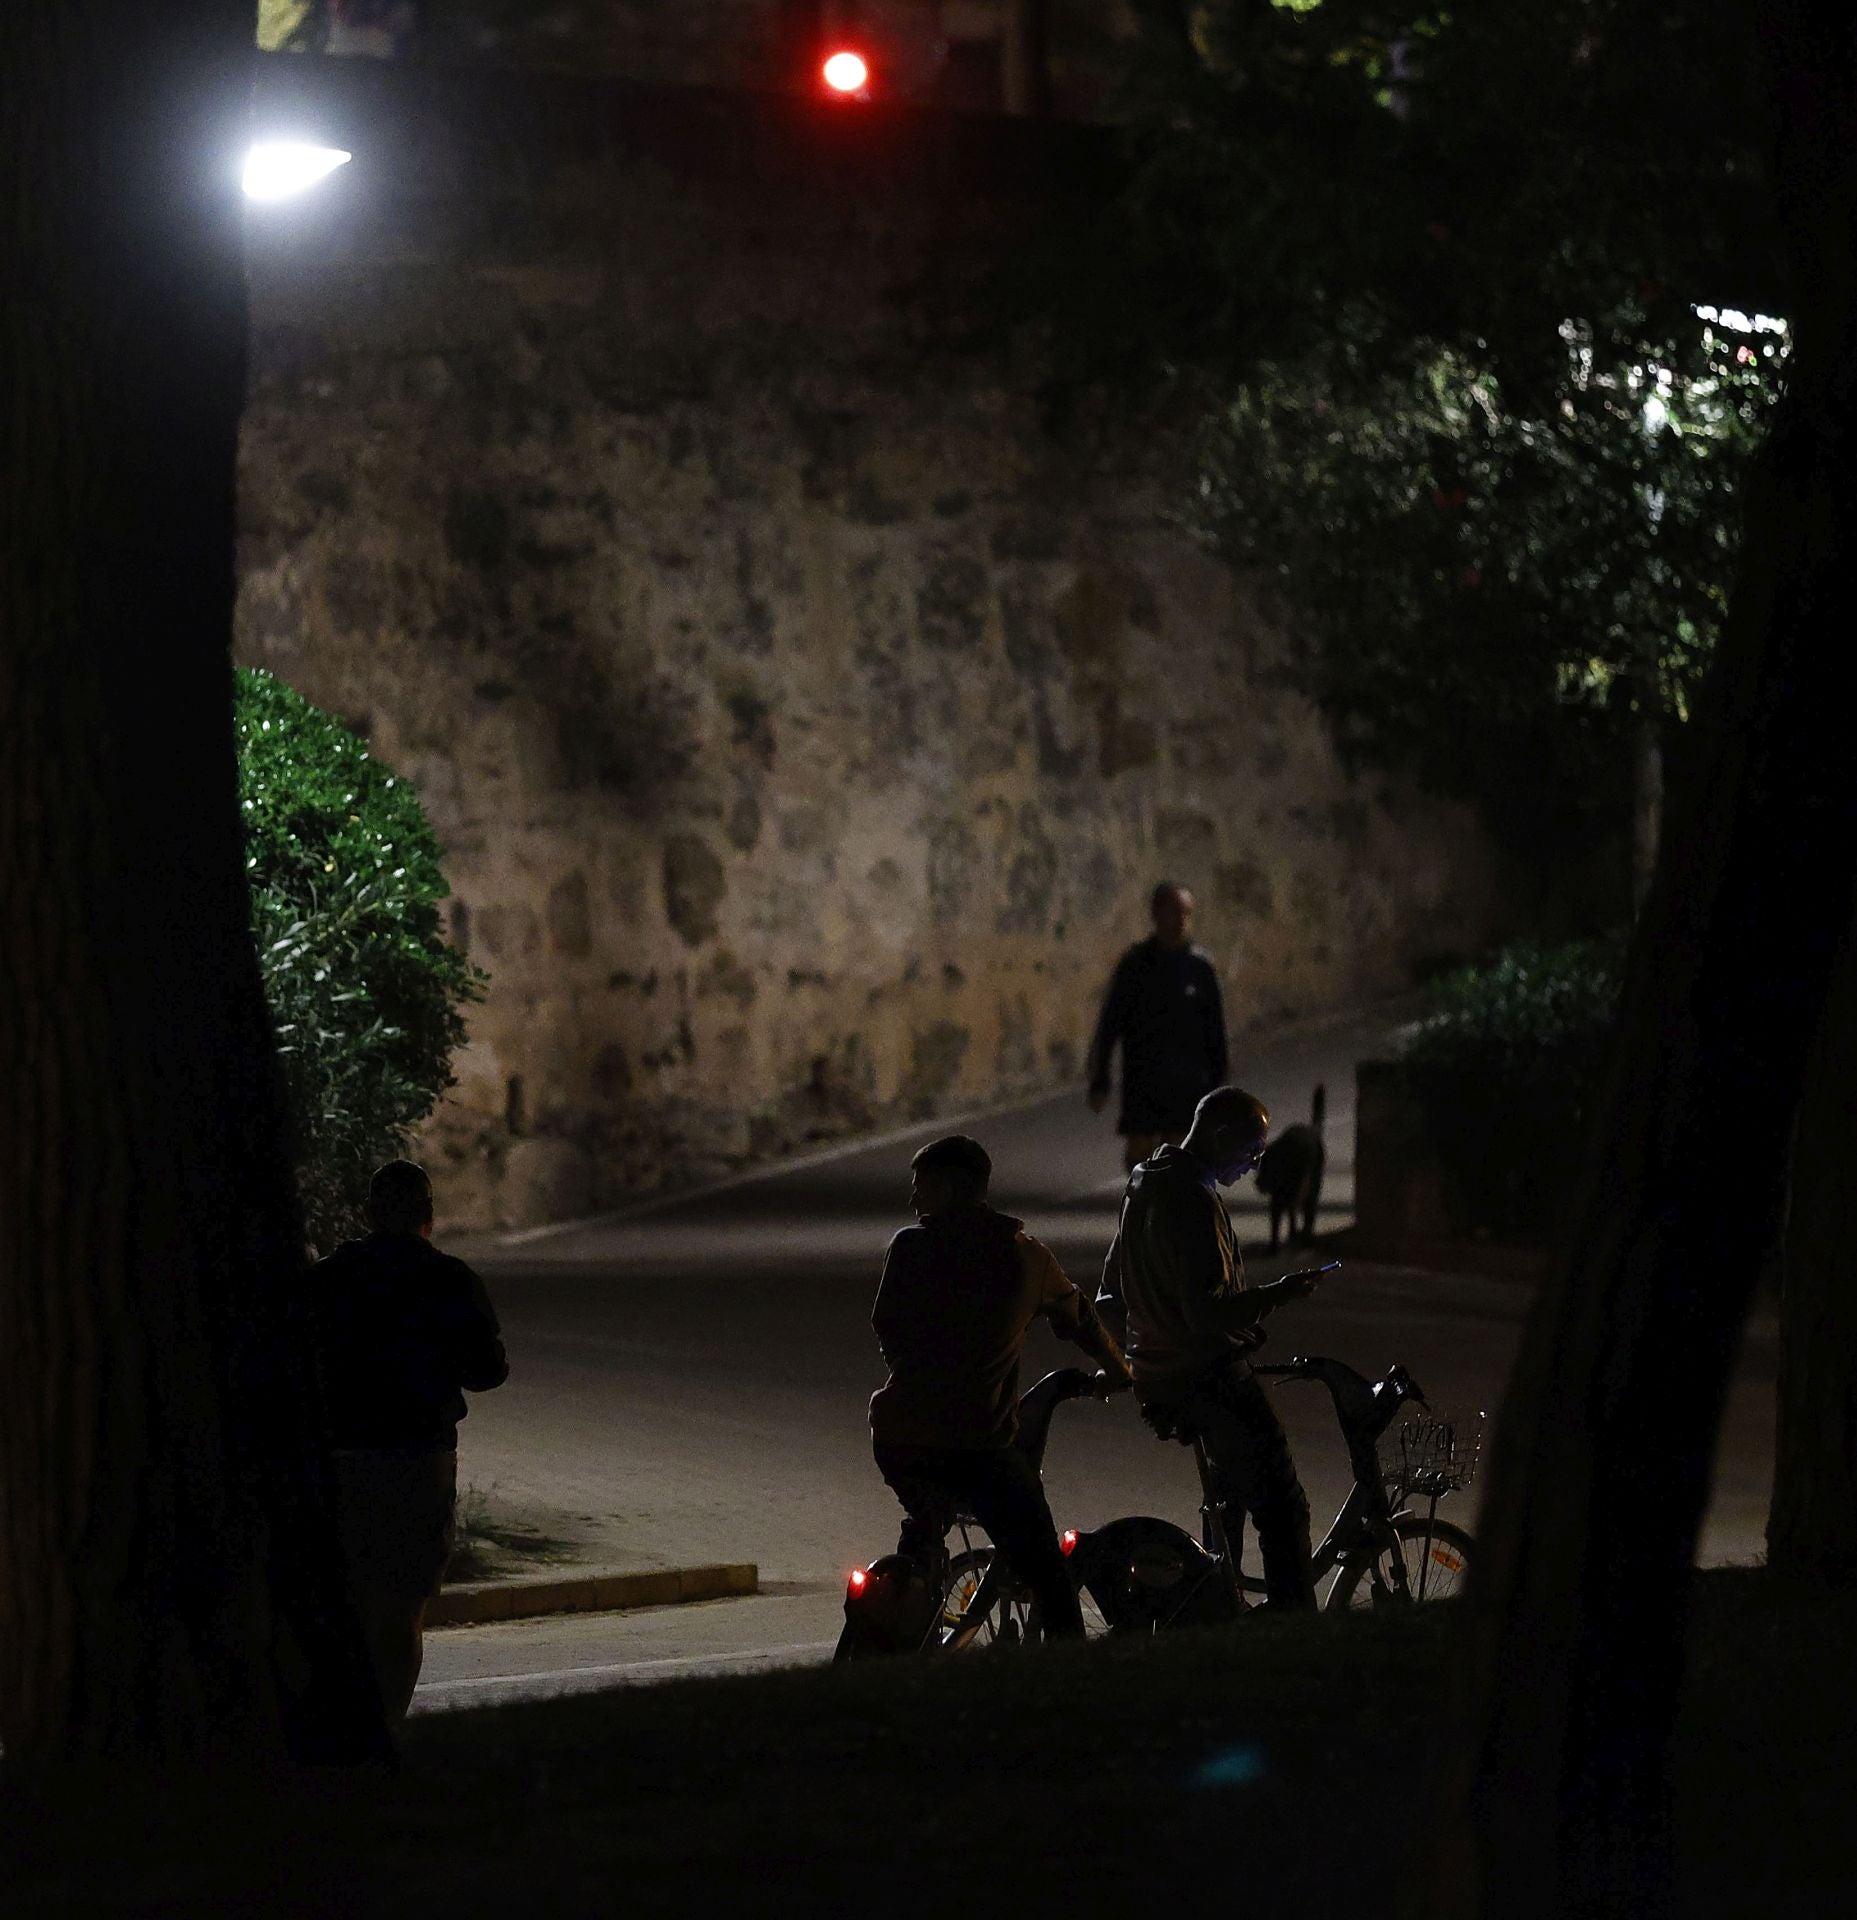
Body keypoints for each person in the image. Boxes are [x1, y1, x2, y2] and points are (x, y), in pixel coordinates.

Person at [868, 1133, 1132, 1640]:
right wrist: (1120, 1372)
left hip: (898, 1436)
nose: (913, 1199)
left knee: (926, 1511)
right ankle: (1071, 1673)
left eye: (920, 1186)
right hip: (978, 1443)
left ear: (947, 1190)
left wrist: (915, 1372)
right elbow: (1081, 1320)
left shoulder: (909, 1248)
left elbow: (886, 1323)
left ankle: (922, 1548)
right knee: (1048, 1572)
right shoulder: (1025, 1257)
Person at [1096, 1087, 1320, 1610]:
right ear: (1219, 1138)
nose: (1254, 1164)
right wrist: (1277, 1294)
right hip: (1206, 1374)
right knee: (1284, 1509)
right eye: (1251, 1150)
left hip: (1163, 1374)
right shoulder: (1192, 1201)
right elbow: (1207, 1313)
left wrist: (1139, 1356)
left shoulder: (1144, 1183)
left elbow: (1112, 1293)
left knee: (1227, 1499)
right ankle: (1295, 1624)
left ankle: (1222, 1604)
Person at [312, 1159, 509, 1718]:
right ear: (428, 1216)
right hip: (418, 1460)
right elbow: (488, 1370)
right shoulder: (450, 1281)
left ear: (370, 1213)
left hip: (340, 1460)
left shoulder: (328, 1278)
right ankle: (387, 1722)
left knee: (343, 1595)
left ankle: (341, 1719)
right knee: (402, 1606)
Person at [1087, 882, 1230, 1171]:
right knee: (1139, 1156)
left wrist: (1219, 1082)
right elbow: (1111, 1022)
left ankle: (1171, 1208)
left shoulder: (1199, 967)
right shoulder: (1135, 966)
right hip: (1144, 1076)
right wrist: (1100, 1078)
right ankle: (1141, 1205)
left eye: (1186, 913)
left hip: (1188, 1079)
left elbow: (1214, 1027)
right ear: (1157, 914)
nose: (1180, 920)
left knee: (1181, 1154)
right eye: (1174, 912)